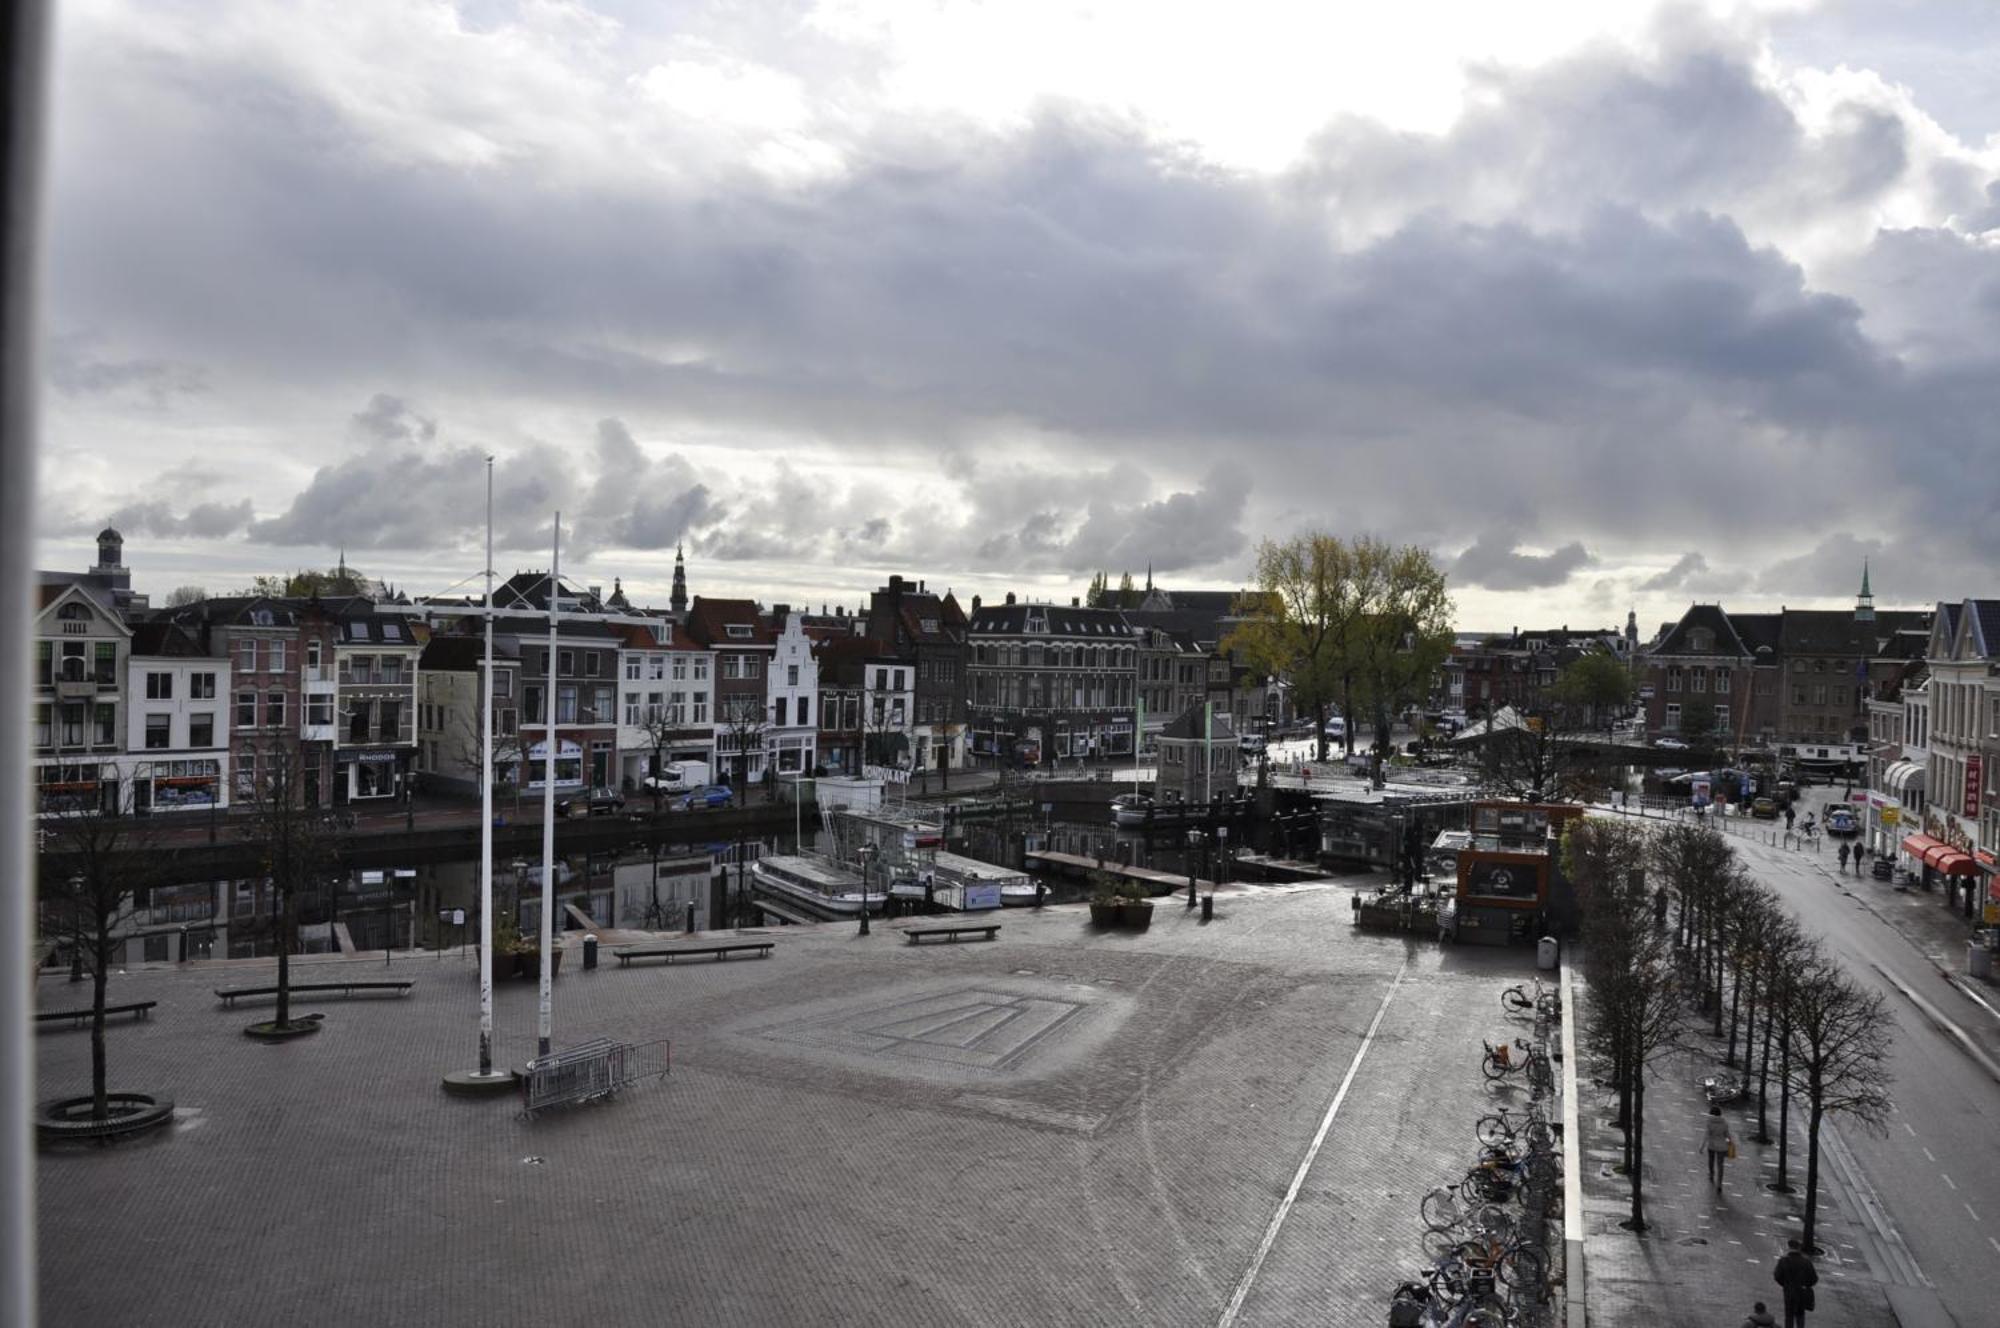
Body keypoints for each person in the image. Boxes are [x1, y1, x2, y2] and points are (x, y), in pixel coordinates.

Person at [1774, 1239, 1818, 1326]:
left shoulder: (1783, 1261)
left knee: (1789, 1316)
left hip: (1789, 1292)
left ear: (1789, 1247)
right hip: (1802, 1292)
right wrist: (1806, 1285)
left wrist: (1785, 1284)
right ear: (1799, 1248)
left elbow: (1777, 1276)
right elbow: (1814, 1278)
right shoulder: (1806, 1262)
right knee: (1800, 1315)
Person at [1702, 1104, 1732, 1189]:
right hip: (1722, 1147)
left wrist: (1702, 1146)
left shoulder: (1709, 1122)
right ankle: (1719, 1183)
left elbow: (1706, 1135)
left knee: (1711, 1161)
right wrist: (1730, 1143)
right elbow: (1727, 1135)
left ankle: (1711, 1174)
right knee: (1720, 1165)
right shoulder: (1724, 1123)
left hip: (1711, 1145)